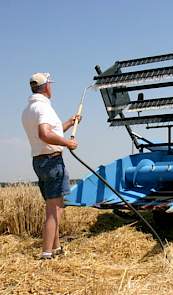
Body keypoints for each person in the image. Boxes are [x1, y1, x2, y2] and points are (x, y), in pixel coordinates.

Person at [22, 72, 80, 259]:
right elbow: (45, 134)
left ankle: (55, 248)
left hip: (39, 161)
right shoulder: (43, 108)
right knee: (54, 209)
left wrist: (70, 123)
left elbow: (51, 132)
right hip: (52, 161)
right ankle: (46, 253)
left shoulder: (28, 110)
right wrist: (67, 143)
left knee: (56, 205)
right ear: (46, 86)